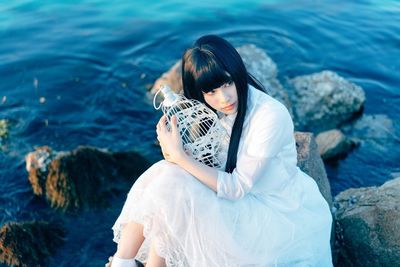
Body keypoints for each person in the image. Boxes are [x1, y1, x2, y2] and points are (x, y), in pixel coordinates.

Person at [110, 35, 333, 267]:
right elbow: (204, 166)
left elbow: (236, 187)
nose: (224, 98)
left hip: (272, 214)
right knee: (166, 177)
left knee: (173, 188)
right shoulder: (212, 112)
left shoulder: (270, 115)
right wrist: (174, 152)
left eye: (227, 83)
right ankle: (123, 261)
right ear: (200, 93)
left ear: (238, 72)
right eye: (211, 92)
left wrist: (180, 157)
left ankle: (125, 262)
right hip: (241, 202)